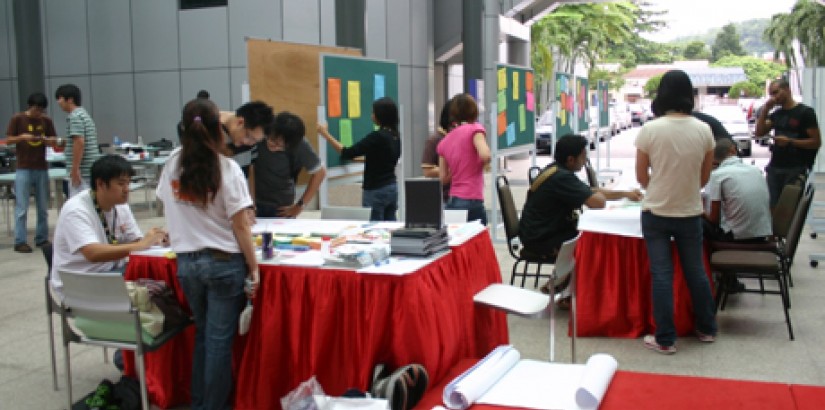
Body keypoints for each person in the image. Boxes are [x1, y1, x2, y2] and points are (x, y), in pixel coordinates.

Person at [156, 98, 258, 409]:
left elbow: (167, 204)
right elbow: (241, 226)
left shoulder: (172, 163)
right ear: (218, 129)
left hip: (187, 264)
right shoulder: (226, 168)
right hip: (224, 264)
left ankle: (200, 402)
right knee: (218, 342)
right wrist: (255, 268)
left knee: (204, 334)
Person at [635, 69, 718, 355]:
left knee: (661, 274)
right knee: (696, 271)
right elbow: (704, 177)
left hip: (656, 211)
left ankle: (665, 339)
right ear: (689, 94)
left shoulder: (651, 129)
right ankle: (707, 328)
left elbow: (641, 177)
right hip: (690, 210)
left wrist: (659, 186)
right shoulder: (704, 130)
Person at [520, 134, 642, 295]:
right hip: (541, 237)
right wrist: (599, 196)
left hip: (542, 231)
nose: (585, 162)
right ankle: (566, 290)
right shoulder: (562, 177)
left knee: (593, 237)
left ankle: (562, 285)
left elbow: (589, 192)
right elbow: (597, 202)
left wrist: (623, 194)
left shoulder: (556, 169)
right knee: (594, 244)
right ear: (571, 159)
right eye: (583, 157)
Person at [50, 155, 167, 297]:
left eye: (128, 183)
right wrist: (141, 245)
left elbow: (136, 241)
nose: (127, 189)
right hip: (81, 282)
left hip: (112, 273)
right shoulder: (76, 209)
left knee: (166, 283)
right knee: (158, 290)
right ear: (100, 184)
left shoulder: (120, 205)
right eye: (121, 184)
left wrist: (157, 240)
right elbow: (93, 253)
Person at [318, 97, 402, 221]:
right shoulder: (395, 136)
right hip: (391, 188)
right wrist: (360, 159)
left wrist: (325, 134)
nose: (372, 115)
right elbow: (383, 158)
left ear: (381, 115)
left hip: (375, 190)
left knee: (373, 230)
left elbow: (347, 152)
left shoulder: (377, 137)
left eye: (374, 112)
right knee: (389, 228)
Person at [5, 92, 60, 253]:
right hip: (23, 167)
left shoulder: (46, 121)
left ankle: (41, 238)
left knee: (43, 206)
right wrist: (22, 137)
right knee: (22, 207)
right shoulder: (18, 119)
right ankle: (20, 240)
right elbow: (8, 140)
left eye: (41, 110)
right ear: (30, 106)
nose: (38, 113)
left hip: (41, 167)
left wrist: (47, 140)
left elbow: (53, 141)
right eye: (36, 109)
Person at [755, 78, 822, 207]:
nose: (774, 98)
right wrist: (765, 110)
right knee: (773, 206)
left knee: (790, 207)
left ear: (786, 90)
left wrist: (790, 142)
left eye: (776, 92)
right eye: (771, 95)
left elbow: (816, 142)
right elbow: (759, 132)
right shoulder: (777, 114)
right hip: (775, 167)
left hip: (796, 167)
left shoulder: (805, 112)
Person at [250, 111, 326, 217]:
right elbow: (251, 168)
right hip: (255, 202)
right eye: (272, 140)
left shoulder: (299, 144)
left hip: (281, 206)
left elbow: (320, 172)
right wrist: (250, 204)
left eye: (280, 146)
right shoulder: (260, 133)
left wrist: (300, 206)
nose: (274, 147)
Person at [703, 138, 772, 243]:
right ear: (733, 150)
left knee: (694, 222)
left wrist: (700, 212)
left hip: (736, 237)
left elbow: (714, 220)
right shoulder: (756, 170)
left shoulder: (717, 175)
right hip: (762, 235)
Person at [436, 93, 491, 224]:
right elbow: (485, 155)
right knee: (478, 241)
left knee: (456, 241)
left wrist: (458, 170)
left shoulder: (444, 141)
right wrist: (483, 163)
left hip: (453, 200)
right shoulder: (475, 130)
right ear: (474, 111)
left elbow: (443, 178)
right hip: (473, 200)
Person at [55, 84, 102, 197]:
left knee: (80, 206)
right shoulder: (83, 114)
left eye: (60, 98)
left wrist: (75, 169)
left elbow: (79, 142)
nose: (58, 102)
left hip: (82, 173)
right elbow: (77, 140)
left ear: (70, 99)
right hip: (89, 170)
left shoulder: (74, 117)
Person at [220, 101, 275, 177]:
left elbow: (247, 176)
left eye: (255, 140)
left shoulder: (252, 144)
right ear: (240, 122)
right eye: (248, 136)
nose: (248, 143)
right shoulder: (207, 124)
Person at [421, 101, 454, 202]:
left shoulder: (459, 137)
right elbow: (427, 171)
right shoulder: (435, 140)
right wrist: (456, 170)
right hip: (444, 198)